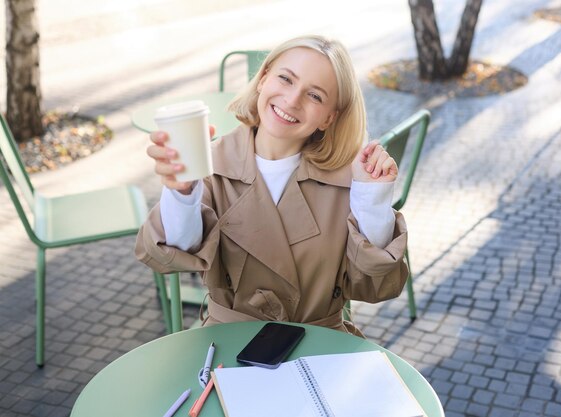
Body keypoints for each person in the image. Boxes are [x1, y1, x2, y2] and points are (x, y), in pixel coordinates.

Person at [135, 35, 408, 336]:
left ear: (329, 118)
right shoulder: (210, 165)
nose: (292, 100)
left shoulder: (351, 181)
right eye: (285, 79)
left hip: (321, 345)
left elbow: (376, 286)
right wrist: (181, 191)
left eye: (315, 96)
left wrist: (373, 198)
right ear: (263, 79)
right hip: (230, 342)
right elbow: (169, 255)